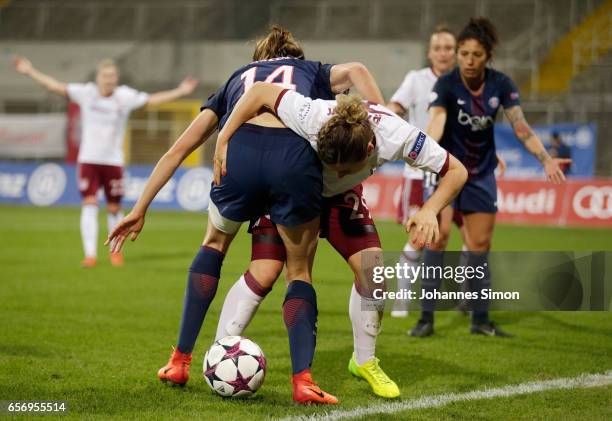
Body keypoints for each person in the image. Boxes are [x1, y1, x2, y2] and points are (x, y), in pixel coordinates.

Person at [106, 25, 386, 405]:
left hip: (239, 157)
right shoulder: (312, 72)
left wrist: (139, 209)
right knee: (298, 271)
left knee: (214, 244)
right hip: (292, 162)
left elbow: (177, 150)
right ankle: (303, 381)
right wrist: (378, 120)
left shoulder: (237, 78)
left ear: (258, 57)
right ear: (295, 55)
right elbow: (357, 70)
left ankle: (179, 360)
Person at [212, 81, 467, 399]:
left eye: (347, 169)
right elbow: (261, 91)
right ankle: (218, 354)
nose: (339, 171)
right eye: (333, 165)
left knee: (373, 273)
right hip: (294, 188)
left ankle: (364, 362)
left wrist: (430, 210)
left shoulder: (398, 136)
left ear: (370, 151)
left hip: (342, 199)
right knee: (264, 272)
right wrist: (224, 136)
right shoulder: (314, 114)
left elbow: (456, 170)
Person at [409, 17, 571, 338]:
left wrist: (545, 159)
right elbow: (437, 121)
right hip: (448, 173)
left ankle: (480, 320)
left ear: (488, 57)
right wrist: (425, 150)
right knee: (437, 238)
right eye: (464, 53)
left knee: (479, 245)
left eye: (476, 55)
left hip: (482, 175)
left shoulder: (502, 84)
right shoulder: (446, 85)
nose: (469, 61)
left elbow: (520, 128)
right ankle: (426, 318)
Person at [13, 56, 198, 268]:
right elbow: (55, 86)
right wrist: (30, 71)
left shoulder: (124, 96)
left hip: (113, 161)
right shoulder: (86, 93)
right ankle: (90, 255)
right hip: (89, 159)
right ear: (98, 77)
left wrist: (180, 92)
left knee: (113, 207)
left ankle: (115, 253)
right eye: (105, 76)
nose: (109, 80)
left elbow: (152, 100)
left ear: (116, 78)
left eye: (112, 76)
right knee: (89, 203)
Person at [386, 25, 457, 318]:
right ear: (430, 53)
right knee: (418, 233)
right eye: (438, 47)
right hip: (420, 170)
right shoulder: (416, 80)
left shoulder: (463, 83)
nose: (443, 53)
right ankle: (402, 299)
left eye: (448, 48)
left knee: (443, 237)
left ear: (455, 53)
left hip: (454, 170)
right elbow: (395, 106)